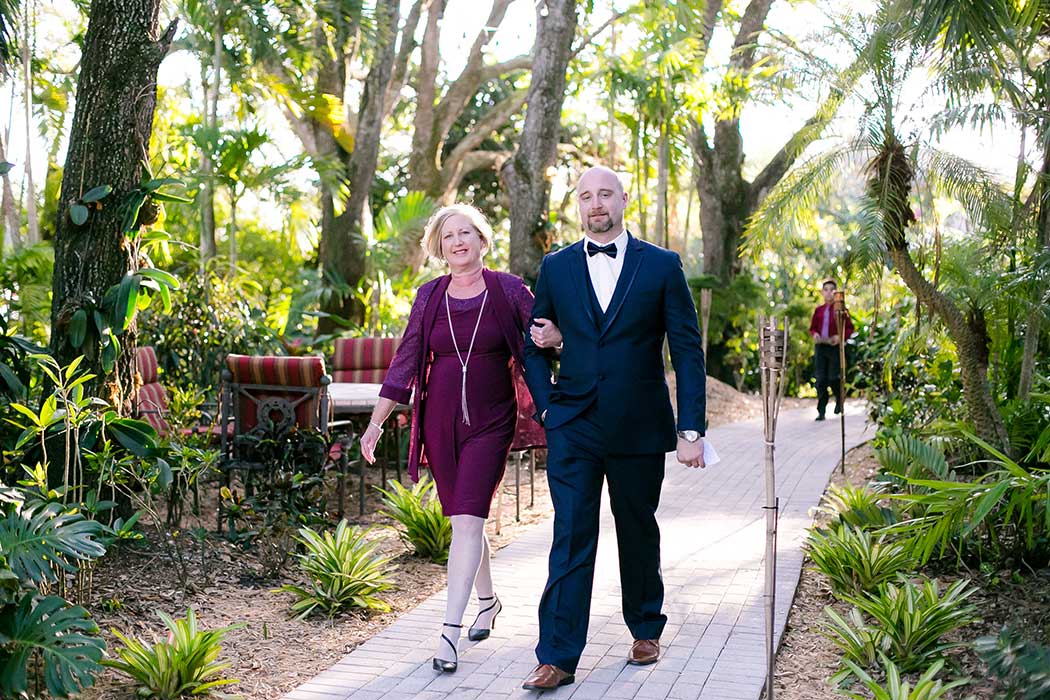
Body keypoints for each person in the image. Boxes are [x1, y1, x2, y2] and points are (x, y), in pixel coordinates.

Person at [520, 166, 708, 691]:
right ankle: (557, 656)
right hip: (574, 424)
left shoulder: (663, 266)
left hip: (639, 425)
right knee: (571, 534)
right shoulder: (555, 268)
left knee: (637, 527)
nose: (596, 204)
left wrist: (691, 427)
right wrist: (547, 410)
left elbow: (687, 351)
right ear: (577, 205)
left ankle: (646, 626)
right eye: (586, 196)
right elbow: (533, 343)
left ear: (624, 198)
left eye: (605, 194)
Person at [360, 204, 556, 673]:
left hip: (491, 421)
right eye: (449, 236)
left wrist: (561, 340)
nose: (458, 241)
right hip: (440, 423)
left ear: (483, 240)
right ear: (438, 246)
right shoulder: (429, 296)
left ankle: (448, 632)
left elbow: (543, 335)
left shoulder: (507, 289)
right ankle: (488, 602)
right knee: (464, 523)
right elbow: (405, 362)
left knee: (468, 519)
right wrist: (376, 421)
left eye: (466, 232)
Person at [809, 278, 854, 421]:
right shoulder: (818, 310)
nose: (828, 293)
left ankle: (840, 400)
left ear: (835, 293)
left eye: (831, 290)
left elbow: (849, 328)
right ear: (822, 292)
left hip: (834, 347)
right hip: (821, 347)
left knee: (834, 378)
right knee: (821, 380)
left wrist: (839, 337)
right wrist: (815, 334)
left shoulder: (841, 310)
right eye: (826, 290)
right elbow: (813, 328)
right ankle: (821, 411)